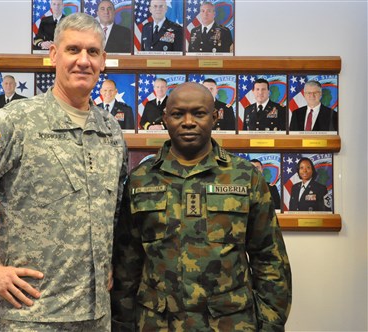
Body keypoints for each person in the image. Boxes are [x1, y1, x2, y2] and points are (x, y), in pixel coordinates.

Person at [0, 13, 127, 331]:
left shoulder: (111, 130)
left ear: (103, 60)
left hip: (95, 316)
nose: (83, 61)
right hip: (31, 317)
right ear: (53, 55)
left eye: (92, 52)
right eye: (73, 49)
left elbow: (115, 211)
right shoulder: (17, 121)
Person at [112, 82, 291, 331]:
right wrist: (121, 324)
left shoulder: (245, 177)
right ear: (164, 118)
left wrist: (271, 323)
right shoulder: (141, 179)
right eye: (178, 114)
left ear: (215, 117)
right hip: (157, 323)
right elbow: (126, 265)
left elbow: (269, 258)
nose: (188, 122)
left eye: (199, 113)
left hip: (230, 323)